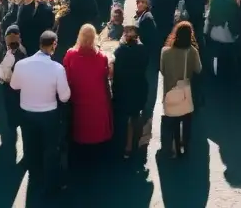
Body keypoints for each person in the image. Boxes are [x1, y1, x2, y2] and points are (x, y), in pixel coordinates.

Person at [11, 30, 71, 197]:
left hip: (27, 114)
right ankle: (50, 186)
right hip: (48, 115)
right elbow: (65, 97)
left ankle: (34, 179)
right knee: (50, 149)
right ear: (54, 45)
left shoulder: (22, 65)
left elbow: (14, 86)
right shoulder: (57, 68)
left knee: (31, 147)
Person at [63, 24, 113, 159]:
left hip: (78, 99)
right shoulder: (102, 57)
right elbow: (106, 75)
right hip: (97, 101)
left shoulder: (70, 55)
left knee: (80, 130)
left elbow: (66, 76)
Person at [160, 21, 202, 158]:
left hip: (170, 91)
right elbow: (198, 69)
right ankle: (186, 146)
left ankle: (176, 146)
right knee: (187, 120)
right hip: (185, 92)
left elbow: (163, 70)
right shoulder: (192, 51)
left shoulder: (165, 52)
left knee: (174, 122)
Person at [110, 22, 150, 158]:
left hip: (123, 89)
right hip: (139, 88)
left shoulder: (120, 51)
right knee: (135, 116)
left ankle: (124, 146)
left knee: (122, 117)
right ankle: (135, 144)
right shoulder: (143, 50)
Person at [0, 25, 27, 157]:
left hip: (9, 87)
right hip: (21, 88)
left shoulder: (5, 53)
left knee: (10, 110)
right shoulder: (23, 51)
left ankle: (12, 128)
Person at [204, 0, 239, 79]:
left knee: (216, 53)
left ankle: (216, 73)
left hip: (215, 30)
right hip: (227, 32)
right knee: (228, 53)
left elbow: (211, 16)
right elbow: (234, 17)